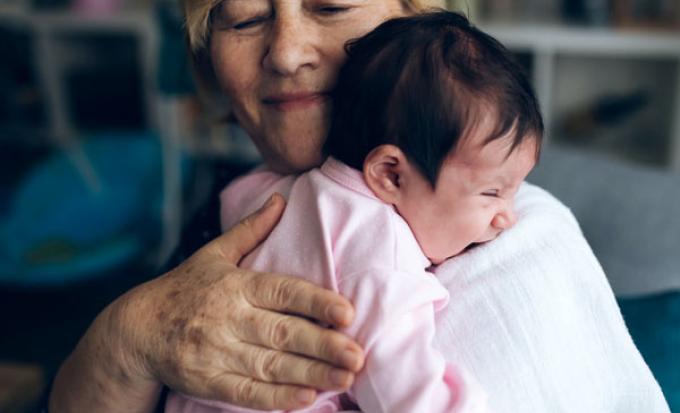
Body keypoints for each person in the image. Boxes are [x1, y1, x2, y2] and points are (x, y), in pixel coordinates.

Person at [48, 0, 670, 412]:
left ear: (413, 15)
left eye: (333, 2)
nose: (286, 52)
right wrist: (126, 339)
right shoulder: (233, 208)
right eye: (241, 18)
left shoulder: (511, 234)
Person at [167, 10, 541, 412]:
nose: (509, 217)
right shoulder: (382, 255)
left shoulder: (272, 189)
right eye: (491, 194)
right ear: (390, 176)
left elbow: (237, 201)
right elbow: (406, 393)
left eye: (331, 7)